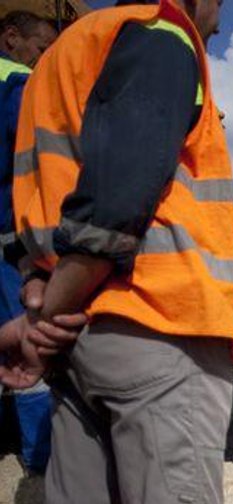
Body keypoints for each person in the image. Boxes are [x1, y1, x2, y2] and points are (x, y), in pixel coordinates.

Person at [9, 1, 233, 504]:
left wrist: (39, 302)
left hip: (80, 346)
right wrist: (56, 308)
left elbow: (37, 203)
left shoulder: (58, 59)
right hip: (161, 328)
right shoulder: (162, 34)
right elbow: (117, 199)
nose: (221, 11)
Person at [0, 10, 59, 474]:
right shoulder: (19, 86)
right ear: (11, 37)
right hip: (9, 241)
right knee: (27, 344)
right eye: (41, 51)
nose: (44, 62)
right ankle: (40, 458)